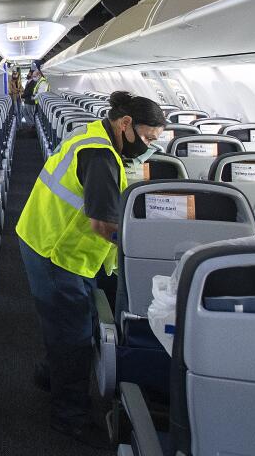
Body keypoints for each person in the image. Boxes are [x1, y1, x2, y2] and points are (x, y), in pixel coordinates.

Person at [14, 90, 165, 446]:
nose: (147, 147)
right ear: (125, 123)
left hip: (49, 240)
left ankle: (49, 374)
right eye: (146, 138)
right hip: (57, 251)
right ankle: (69, 418)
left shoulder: (95, 134)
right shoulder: (100, 155)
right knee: (74, 334)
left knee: (66, 320)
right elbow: (101, 224)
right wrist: (145, 249)